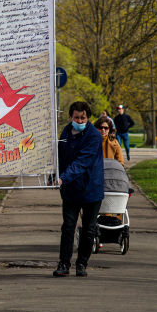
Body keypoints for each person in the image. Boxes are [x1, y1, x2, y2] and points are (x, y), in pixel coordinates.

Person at [53, 101, 104, 278]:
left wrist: (62, 178)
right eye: (76, 117)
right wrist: (54, 174)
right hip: (71, 190)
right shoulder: (66, 131)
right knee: (68, 227)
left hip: (91, 189)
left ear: (88, 118)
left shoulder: (93, 136)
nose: (80, 120)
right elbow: (58, 155)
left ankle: (82, 263)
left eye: (83, 118)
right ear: (71, 117)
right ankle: (64, 263)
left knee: (88, 229)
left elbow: (82, 162)